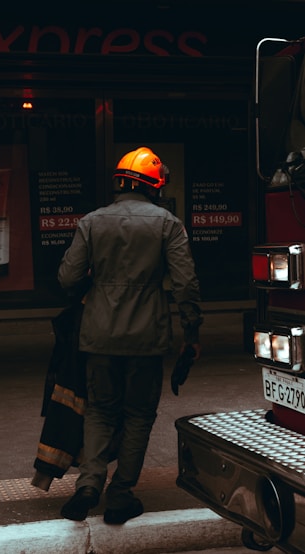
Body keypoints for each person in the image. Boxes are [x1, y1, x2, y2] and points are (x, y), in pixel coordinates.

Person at [58, 146, 203, 524]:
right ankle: (120, 494)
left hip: (98, 334)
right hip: (146, 337)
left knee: (100, 411)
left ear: (121, 182)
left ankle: (88, 484)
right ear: (155, 186)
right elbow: (186, 284)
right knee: (138, 414)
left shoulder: (91, 222)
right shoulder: (167, 224)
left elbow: (68, 278)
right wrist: (191, 332)